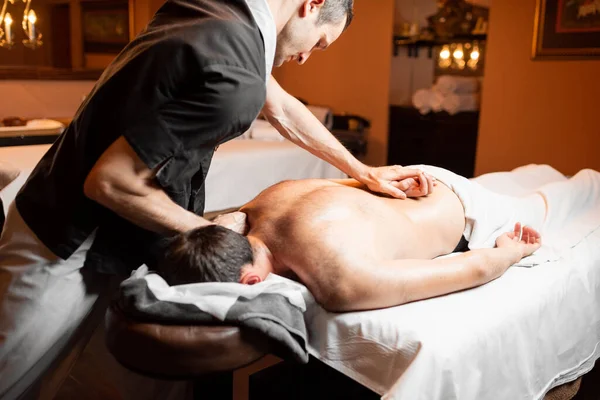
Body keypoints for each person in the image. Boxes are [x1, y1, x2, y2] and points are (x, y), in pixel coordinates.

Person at [0, 0, 435, 398]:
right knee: (14, 381)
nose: (305, 57)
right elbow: (110, 183)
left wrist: (361, 170)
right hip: (65, 239)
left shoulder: (222, 16)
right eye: (319, 43)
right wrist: (213, 232)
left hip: (69, 215)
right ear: (312, 3)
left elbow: (281, 107)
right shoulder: (237, 70)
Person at [158, 165, 600, 311]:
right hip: (413, 180)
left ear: (251, 282)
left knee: (566, 197)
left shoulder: (337, 278)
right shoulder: (256, 206)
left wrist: (508, 252)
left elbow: (472, 267)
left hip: (469, 214)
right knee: (529, 182)